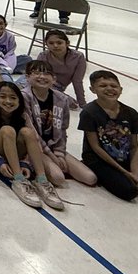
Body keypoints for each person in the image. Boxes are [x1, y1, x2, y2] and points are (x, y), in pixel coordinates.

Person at [78, 70, 138, 203]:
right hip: (98, 160)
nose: (109, 89)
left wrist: (135, 173)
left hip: (124, 159)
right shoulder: (89, 112)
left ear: (121, 89)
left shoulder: (131, 113)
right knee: (130, 191)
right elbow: (95, 147)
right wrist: (124, 172)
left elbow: (134, 147)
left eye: (114, 86)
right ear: (92, 89)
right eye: (103, 86)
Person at [0, 80, 64, 210]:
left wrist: (26, 163)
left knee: (28, 132)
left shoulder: (23, 115)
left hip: (16, 153)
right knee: (7, 130)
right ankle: (18, 179)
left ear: (19, 100)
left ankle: (41, 179)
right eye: (3, 97)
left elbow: (34, 141)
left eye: (13, 98)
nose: (8, 101)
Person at [21, 60, 96, 189]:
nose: (42, 77)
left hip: (54, 146)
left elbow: (62, 130)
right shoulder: (24, 97)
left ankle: (55, 160)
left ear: (54, 79)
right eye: (36, 73)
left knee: (90, 178)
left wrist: (59, 153)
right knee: (58, 178)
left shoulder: (62, 99)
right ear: (27, 77)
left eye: (47, 73)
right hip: (35, 147)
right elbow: (32, 131)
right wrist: (51, 156)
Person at [37, 29, 87, 106]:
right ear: (46, 44)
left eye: (59, 43)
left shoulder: (78, 57)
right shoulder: (43, 56)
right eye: (51, 43)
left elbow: (77, 81)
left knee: (70, 102)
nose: (55, 46)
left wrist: (82, 103)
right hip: (40, 85)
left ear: (67, 43)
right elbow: (39, 79)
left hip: (56, 88)